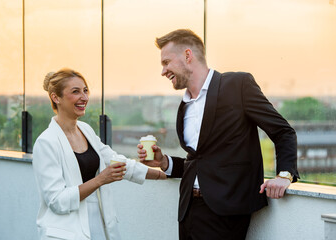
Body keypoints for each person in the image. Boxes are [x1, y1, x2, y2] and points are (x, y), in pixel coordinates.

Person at [137, 29, 299, 240]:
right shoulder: (184, 106)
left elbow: (283, 131)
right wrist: (164, 162)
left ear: (188, 55)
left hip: (226, 214)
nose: (163, 71)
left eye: (166, 62)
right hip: (188, 211)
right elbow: (199, 161)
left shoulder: (238, 85)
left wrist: (284, 175)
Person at [33, 68, 166, 240]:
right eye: (76, 92)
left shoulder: (85, 130)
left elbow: (117, 162)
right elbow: (57, 201)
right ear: (55, 97)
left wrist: (165, 173)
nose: (84, 97)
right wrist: (100, 180)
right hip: (66, 233)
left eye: (85, 90)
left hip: (96, 227)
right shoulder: (46, 142)